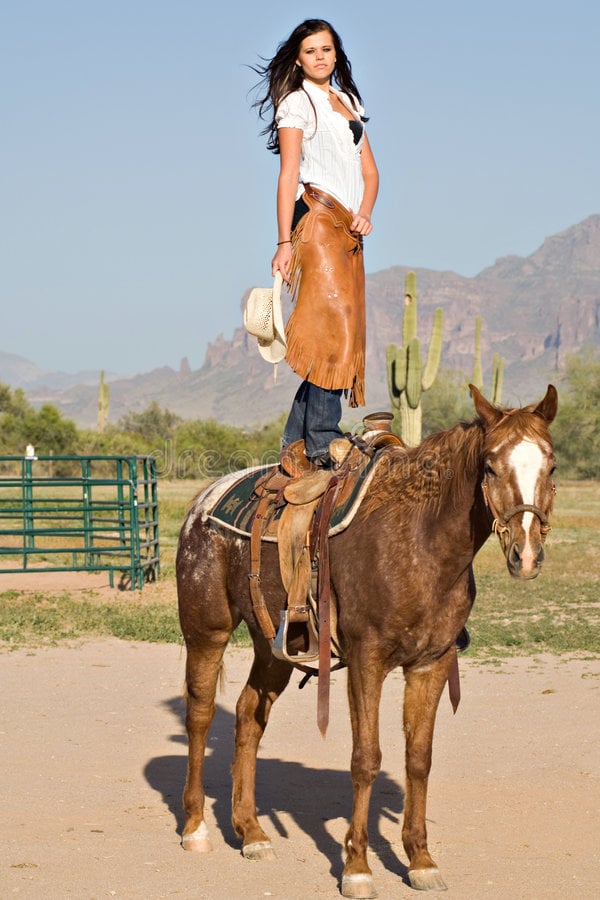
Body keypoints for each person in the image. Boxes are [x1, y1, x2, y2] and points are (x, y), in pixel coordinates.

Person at [253, 19, 379, 467]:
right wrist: (283, 242)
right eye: (311, 51)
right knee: (333, 327)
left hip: (349, 226)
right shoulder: (296, 103)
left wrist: (365, 211)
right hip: (318, 218)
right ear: (299, 58)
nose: (320, 56)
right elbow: (288, 174)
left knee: (343, 329)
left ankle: (295, 439)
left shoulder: (349, 101)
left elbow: (370, 171)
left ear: (337, 54)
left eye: (327, 49)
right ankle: (324, 439)